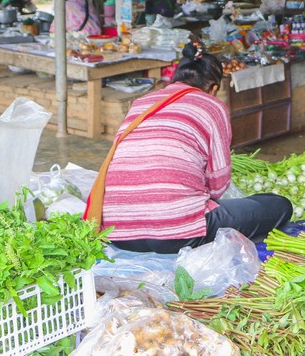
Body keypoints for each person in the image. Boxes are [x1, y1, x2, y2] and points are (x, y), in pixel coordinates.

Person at [97, 42, 293, 253]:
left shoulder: (141, 103)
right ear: (214, 88)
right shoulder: (212, 105)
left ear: (175, 78)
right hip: (178, 233)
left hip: (117, 233)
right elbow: (218, 187)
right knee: (279, 206)